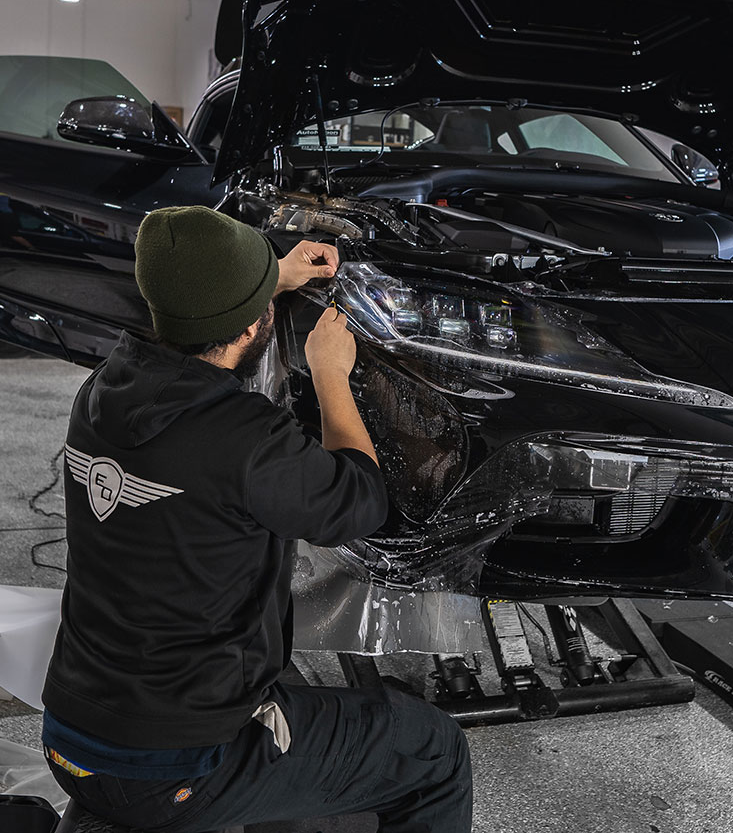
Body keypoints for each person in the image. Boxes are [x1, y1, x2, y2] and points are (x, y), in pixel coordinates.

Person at [41, 205, 473, 832]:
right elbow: (359, 501)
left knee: (289, 699)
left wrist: (268, 281)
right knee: (433, 751)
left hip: (71, 734)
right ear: (250, 327)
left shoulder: (104, 391)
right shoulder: (245, 440)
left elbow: (199, 321)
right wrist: (330, 374)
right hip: (176, 768)